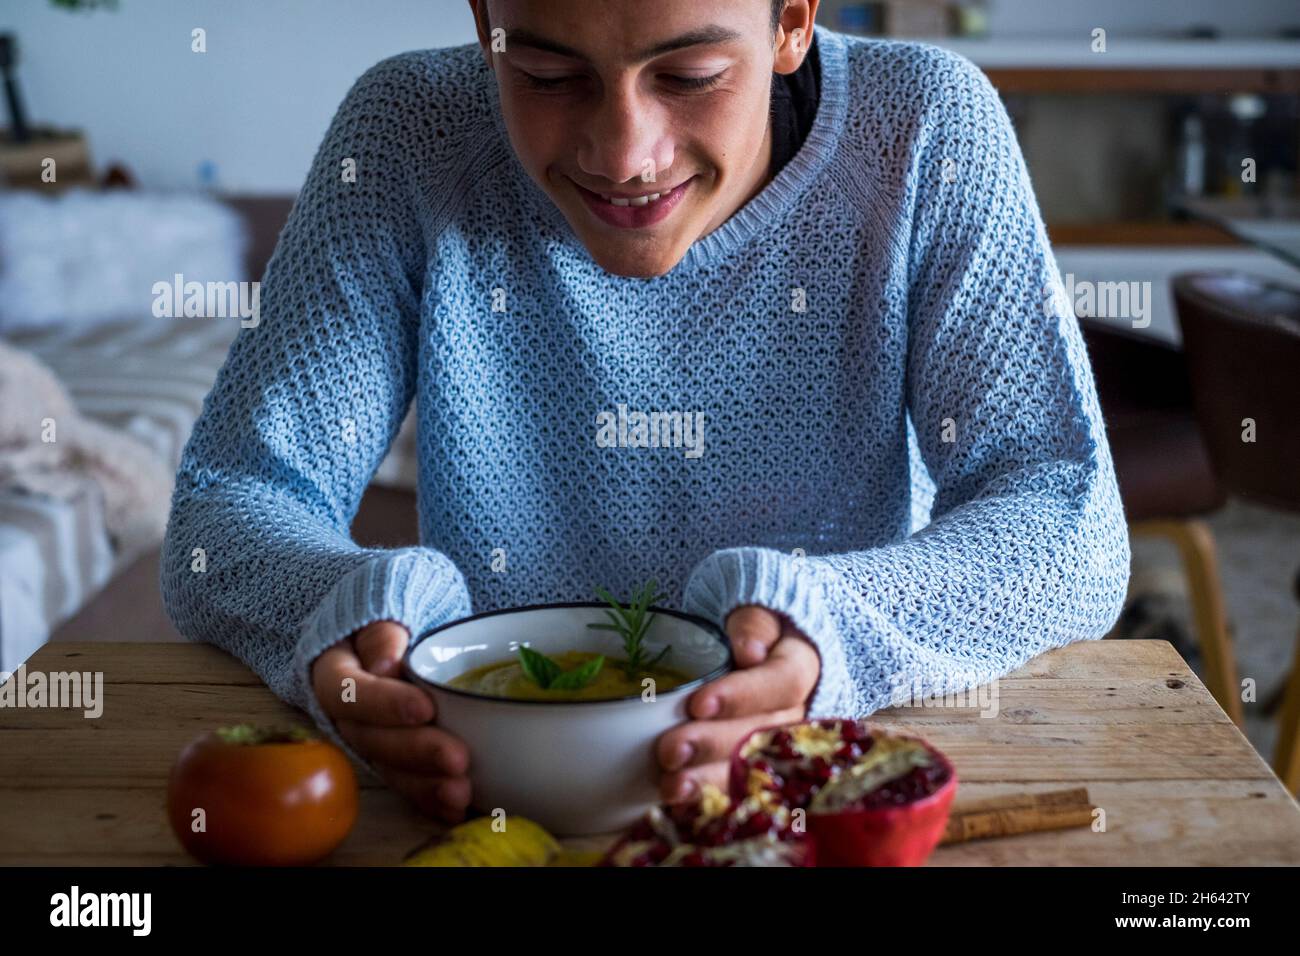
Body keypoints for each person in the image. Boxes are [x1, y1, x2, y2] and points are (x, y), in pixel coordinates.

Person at [161, 0, 1131, 824]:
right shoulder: (408, 127)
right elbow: (226, 507)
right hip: (484, 808)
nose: (624, 155)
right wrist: (342, 612)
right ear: (482, 23)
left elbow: (1067, 524)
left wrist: (830, 632)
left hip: (801, 792)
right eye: (546, 74)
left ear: (792, 21)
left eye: (692, 73)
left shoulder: (923, 124)